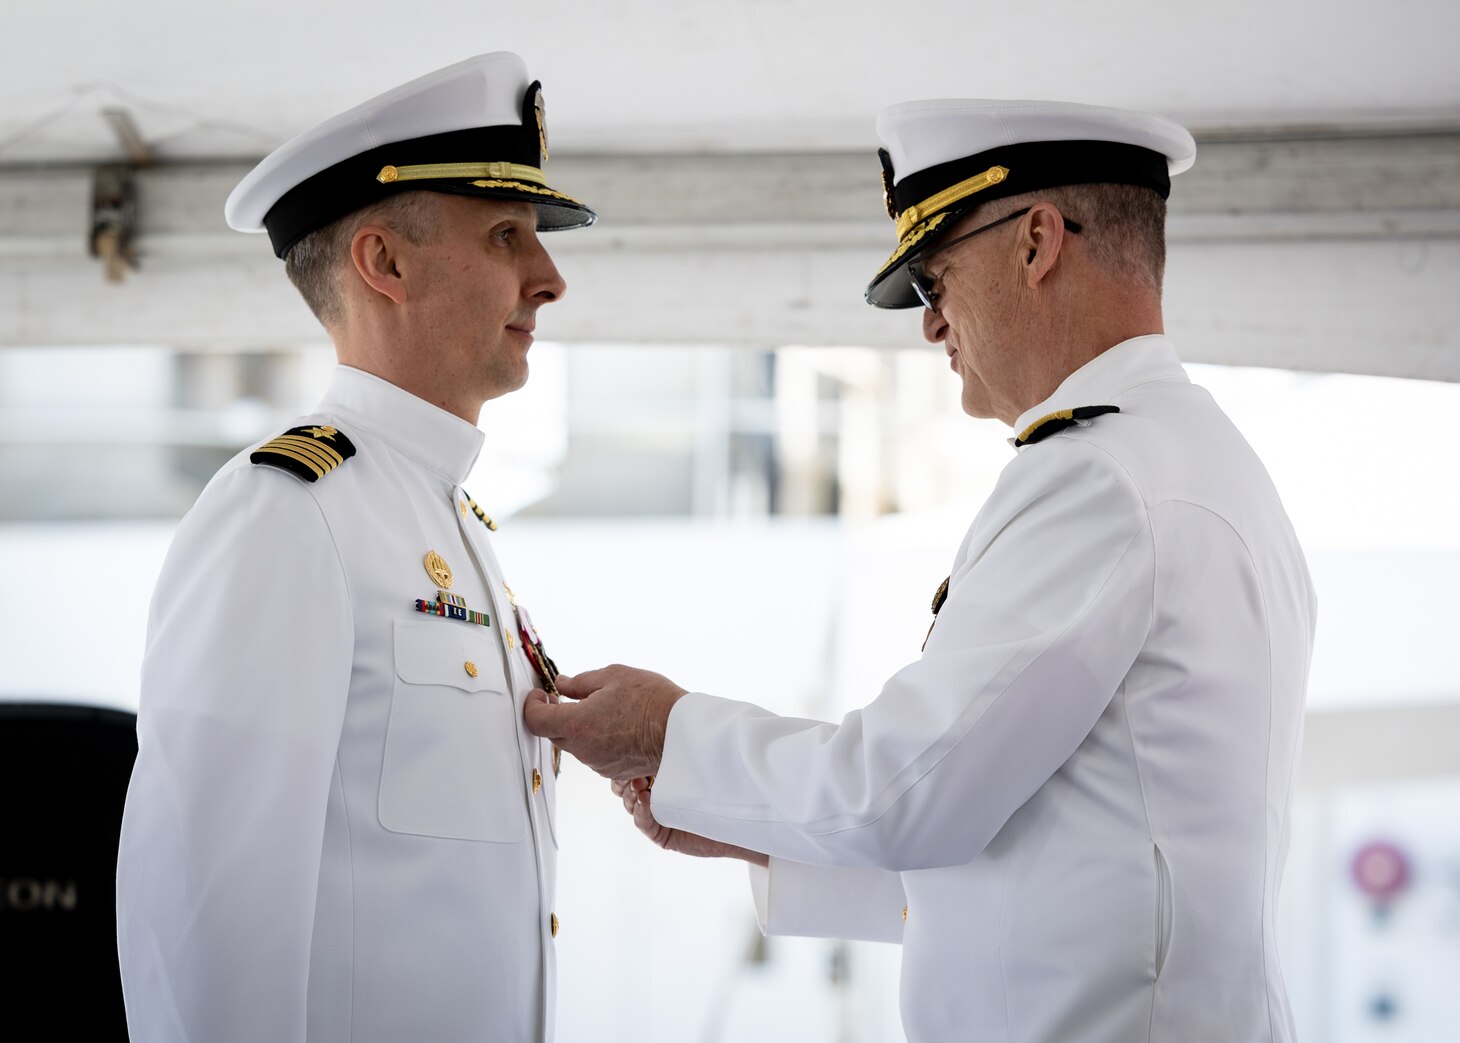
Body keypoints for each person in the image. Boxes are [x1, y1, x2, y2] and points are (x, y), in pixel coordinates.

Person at [524, 99, 1317, 1042]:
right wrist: (755, 826)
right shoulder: (1191, 456)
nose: (932, 327)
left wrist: (672, 737)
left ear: (1036, 242)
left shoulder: (1098, 481)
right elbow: (1051, 849)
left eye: (935, 279)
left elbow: (906, 791)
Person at [116, 53, 594, 1042]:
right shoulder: (286, 510)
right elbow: (206, 915)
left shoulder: (454, 521)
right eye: (507, 234)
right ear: (384, 263)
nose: (547, 277)